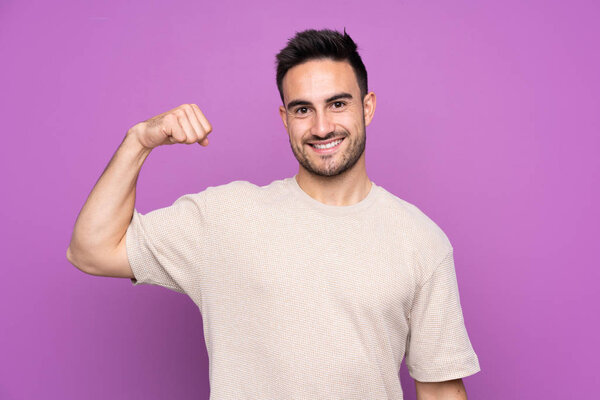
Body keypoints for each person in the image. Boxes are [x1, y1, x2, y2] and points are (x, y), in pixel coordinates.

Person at [67, 28, 480, 399]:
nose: (321, 127)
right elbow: (91, 250)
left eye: (337, 104)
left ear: (367, 107)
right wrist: (139, 141)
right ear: (285, 119)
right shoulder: (225, 218)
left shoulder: (420, 240)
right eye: (302, 110)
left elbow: (441, 390)